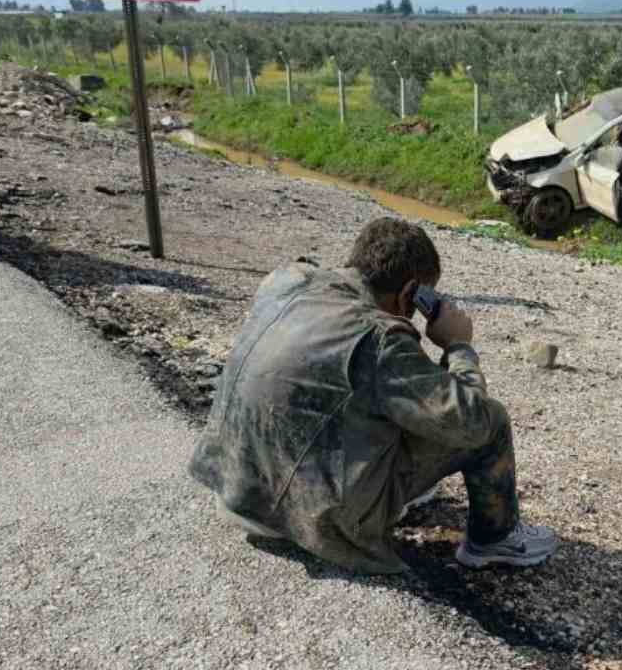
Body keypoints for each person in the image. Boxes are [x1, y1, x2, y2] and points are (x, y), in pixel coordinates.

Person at [189, 218, 558, 574]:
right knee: (491, 421)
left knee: (385, 398)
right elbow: (472, 421)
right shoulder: (381, 338)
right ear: (410, 292)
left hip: (236, 489)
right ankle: (496, 540)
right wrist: (458, 346)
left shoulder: (285, 281)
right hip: (312, 523)